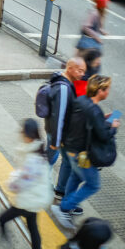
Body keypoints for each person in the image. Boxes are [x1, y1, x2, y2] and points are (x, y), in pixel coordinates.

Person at [52, 75, 118, 230]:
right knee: (93, 184)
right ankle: (64, 207)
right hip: (82, 153)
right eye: (107, 89)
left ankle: (67, 204)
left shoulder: (82, 101)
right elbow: (103, 136)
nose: (108, 92)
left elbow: (86, 122)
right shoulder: (94, 110)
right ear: (100, 91)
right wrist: (113, 127)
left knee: (76, 176)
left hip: (72, 149)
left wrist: (102, 119)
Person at [0, 118, 52, 249]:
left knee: (2, 219)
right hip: (35, 198)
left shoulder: (33, 158)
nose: (20, 133)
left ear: (29, 136)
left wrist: (11, 182)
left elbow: (22, 182)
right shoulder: (38, 149)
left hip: (28, 200)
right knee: (33, 228)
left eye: (22, 131)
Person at [45, 57, 86, 200]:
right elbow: (59, 116)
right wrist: (56, 141)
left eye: (84, 71)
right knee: (52, 158)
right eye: (80, 71)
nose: (82, 74)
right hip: (58, 134)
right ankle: (49, 187)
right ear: (70, 69)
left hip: (59, 133)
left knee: (63, 160)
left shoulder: (66, 82)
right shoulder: (63, 88)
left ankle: (60, 190)